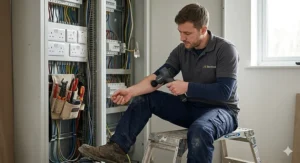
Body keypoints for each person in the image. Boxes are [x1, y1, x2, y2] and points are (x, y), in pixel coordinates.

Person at [79, 3, 239, 163]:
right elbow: (158, 77)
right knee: (144, 99)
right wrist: (131, 91)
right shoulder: (181, 50)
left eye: (187, 33)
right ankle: (116, 149)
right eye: (180, 32)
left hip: (222, 111)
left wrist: (187, 87)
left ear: (203, 30)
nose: (182, 38)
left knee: (200, 130)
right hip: (191, 108)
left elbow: (224, 92)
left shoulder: (225, 50)